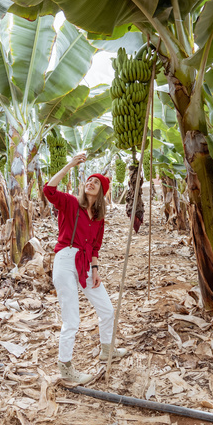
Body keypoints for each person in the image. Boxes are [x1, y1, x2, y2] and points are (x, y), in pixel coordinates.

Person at [44, 152, 127, 385]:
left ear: (102, 191)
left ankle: (107, 349)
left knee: (107, 309)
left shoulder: (98, 219)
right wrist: (70, 164)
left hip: (86, 265)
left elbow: (95, 247)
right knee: (72, 319)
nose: (90, 182)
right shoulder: (70, 203)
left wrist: (96, 270)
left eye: (96, 182)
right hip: (66, 259)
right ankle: (66, 368)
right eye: (89, 180)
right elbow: (49, 190)